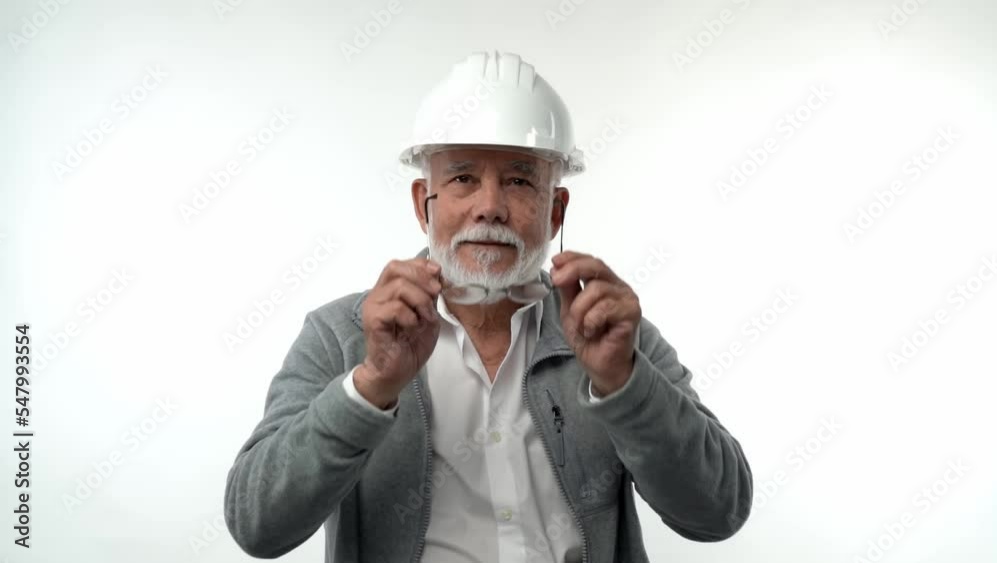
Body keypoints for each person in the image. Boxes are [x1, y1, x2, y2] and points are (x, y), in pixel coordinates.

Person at [224, 50, 752, 563]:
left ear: (555, 210)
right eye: (462, 178)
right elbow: (257, 525)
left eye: (521, 180)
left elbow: (717, 513)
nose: (491, 207)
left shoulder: (611, 337)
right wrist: (370, 387)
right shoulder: (340, 334)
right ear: (421, 204)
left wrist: (626, 384)